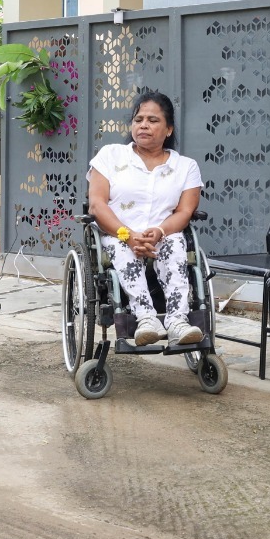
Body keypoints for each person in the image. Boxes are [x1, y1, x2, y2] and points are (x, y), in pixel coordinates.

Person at [88, 91, 204, 347]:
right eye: (138, 119)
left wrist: (160, 232)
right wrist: (128, 236)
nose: (143, 125)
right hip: (117, 234)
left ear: (169, 129)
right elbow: (97, 204)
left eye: (153, 120)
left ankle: (177, 321)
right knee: (122, 248)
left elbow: (185, 212)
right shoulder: (110, 156)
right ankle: (146, 319)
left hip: (163, 234)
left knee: (175, 244)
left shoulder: (186, 167)